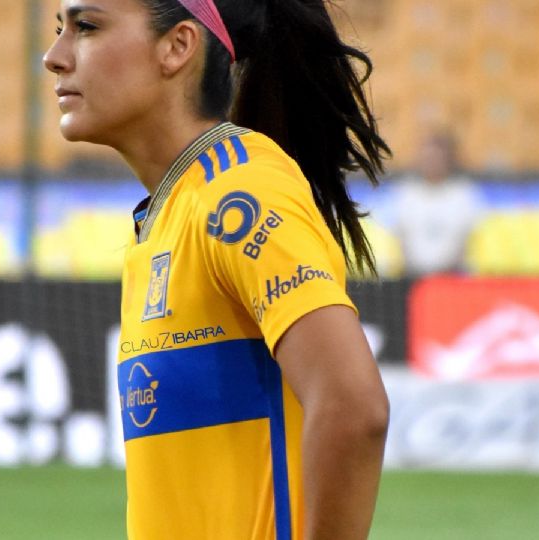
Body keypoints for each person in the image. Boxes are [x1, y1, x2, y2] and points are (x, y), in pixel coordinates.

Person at [44, 1, 390, 538]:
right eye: (59, 29)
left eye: (86, 26)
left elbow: (352, 406)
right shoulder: (169, 213)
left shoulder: (239, 194)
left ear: (177, 46)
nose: (54, 56)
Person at [386, 130, 483, 275]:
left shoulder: (464, 194)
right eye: (428, 158)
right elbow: (398, 239)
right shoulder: (405, 193)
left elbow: (470, 241)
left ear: (449, 159)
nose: (432, 163)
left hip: (452, 277)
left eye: (438, 158)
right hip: (411, 276)